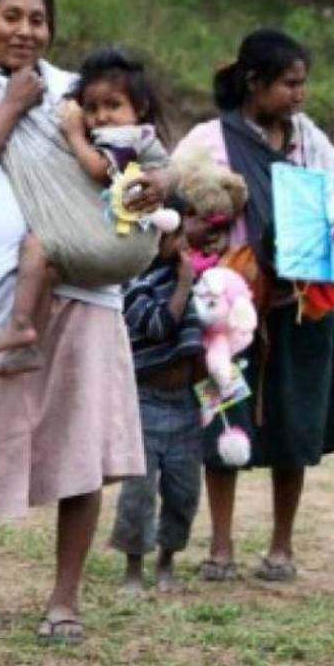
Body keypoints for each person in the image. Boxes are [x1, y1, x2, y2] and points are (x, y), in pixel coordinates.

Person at [0, 0, 164, 642]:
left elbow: (136, 149)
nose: (24, 30)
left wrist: (155, 185)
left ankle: (64, 598)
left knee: (78, 444)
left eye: (37, 19)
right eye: (10, 16)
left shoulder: (76, 94)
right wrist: (9, 105)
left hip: (83, 289)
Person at [173, 28, 334, 582]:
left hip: (302, 304)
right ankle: (221, 546)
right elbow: (178, 193)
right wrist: (198, 226)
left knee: (296, 424)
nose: (299, 95)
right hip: (228, 311)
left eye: (303, 83)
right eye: (289, 83)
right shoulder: (209, 139)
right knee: (221, 418)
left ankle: (281, 546)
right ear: (254, 83)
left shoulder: (308, 139)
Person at [0, 47, 172, 376]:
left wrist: (72, 133)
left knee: (35, 246)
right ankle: (30, 346)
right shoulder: (121, 135)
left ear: (139, 108)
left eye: (113, 105)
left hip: (120, 243)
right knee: (48, 270)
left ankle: (21, 324)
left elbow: (100, 170)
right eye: (93, 107)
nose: (101, 116)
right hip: (122, 248)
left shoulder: (128, 138)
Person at [111, 220, 202, 594]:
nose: (184, 244)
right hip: (144, 401)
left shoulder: (190, 280)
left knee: (184, 491)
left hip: (186, 403)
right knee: (139, 490)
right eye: (177, 237)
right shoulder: (132, 285)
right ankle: (134, 567)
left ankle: (167, 560)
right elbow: (160, 325)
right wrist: (184, 283)